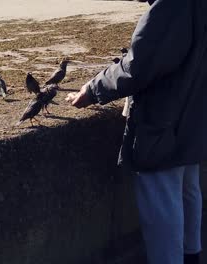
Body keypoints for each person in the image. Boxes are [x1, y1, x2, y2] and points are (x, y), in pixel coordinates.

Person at [65, 0, 207, 263]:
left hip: (164, 123)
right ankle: (192, 254)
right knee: (188, 189)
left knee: (161, 206)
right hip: (193, 116)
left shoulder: (172, 6)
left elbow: (139, 65)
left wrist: (93, 90)